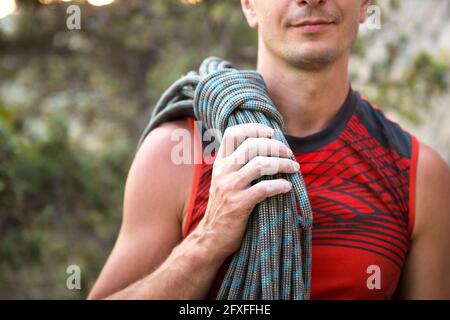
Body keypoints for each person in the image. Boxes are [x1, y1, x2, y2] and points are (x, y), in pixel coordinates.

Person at [88, 0, 450, 299]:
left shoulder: (418, 175)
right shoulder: (177, 152)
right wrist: (207, 241)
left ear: (365, 5)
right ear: (248, 5)